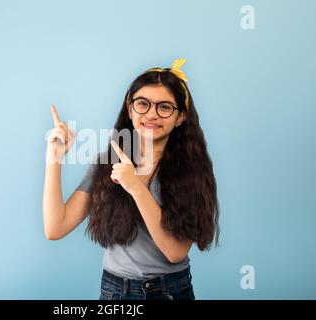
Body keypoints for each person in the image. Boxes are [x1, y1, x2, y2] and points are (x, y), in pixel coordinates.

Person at [42, 58, 220, 300]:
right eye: (142, 104)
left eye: (165, 107)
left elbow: (175, 252)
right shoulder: (106, 163)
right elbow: (56, 227)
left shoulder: (192, 171)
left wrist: (135, 185)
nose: (152, 114)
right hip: (115, 291)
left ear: (180, 117)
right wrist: (54, 159)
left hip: (170, 292)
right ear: (130, 108)